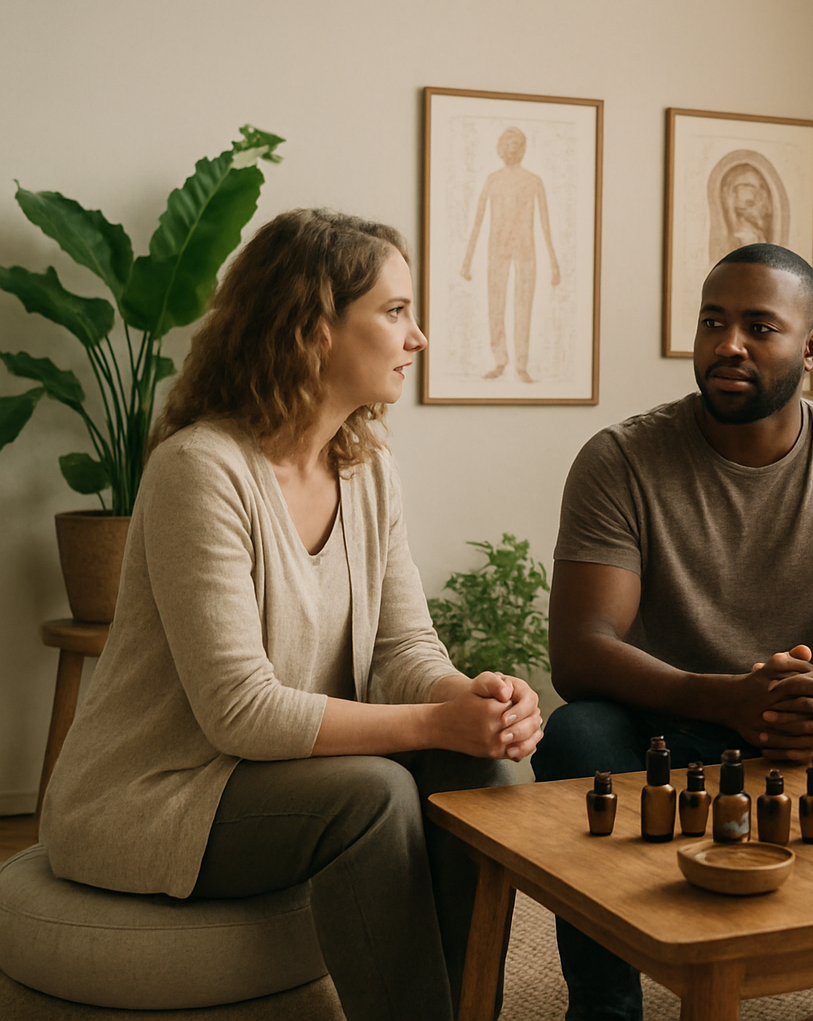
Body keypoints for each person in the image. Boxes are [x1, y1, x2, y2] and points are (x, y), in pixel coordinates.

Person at [39, 209, 543, 1021]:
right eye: (395, 311)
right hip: (155, 794)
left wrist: (470, 699)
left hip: (277, 776)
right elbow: (239, 711)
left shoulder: (368, 469)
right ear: (315, 328)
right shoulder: (199, 470)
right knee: (375, 794)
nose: (417, 338)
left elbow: (403, 646)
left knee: (491, 772)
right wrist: (433, 724)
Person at [534, 242, 813, 1021]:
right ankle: (605, 1010)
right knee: (579, 737)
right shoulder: (621, 460)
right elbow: (580, 652)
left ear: (811, 348)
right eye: (713, 322)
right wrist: (725, 699)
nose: (728, 344)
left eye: (759, 327)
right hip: (669, 723)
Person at [461, 125, 561, 382]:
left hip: (525, 247)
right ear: (501, 149)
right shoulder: (493, 180)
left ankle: (521, 364)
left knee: (523, 304)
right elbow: (478, 221)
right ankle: (500, 360)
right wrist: (467, 260)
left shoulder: (533, 181)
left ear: (522, 149)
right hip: (498, 246)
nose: (512, 150)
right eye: (508, 145)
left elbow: (545, 224)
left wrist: (554, 263)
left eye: (516, 145)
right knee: (496, 303)